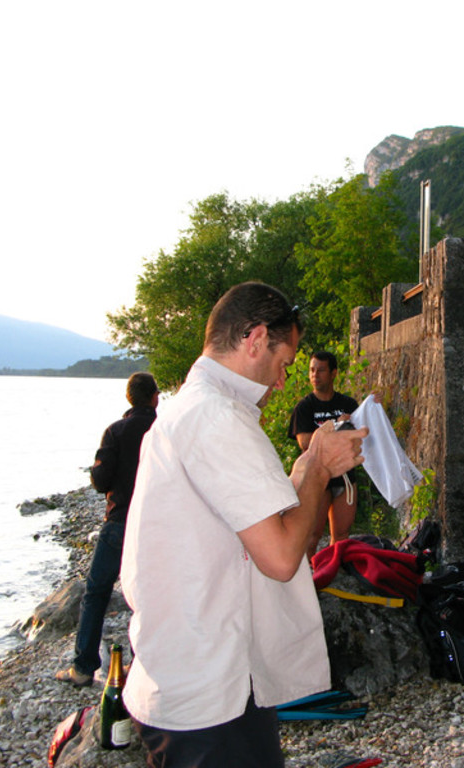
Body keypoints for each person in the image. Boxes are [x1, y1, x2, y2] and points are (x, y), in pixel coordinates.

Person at [120, 282, 367, 768]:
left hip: (198, 677)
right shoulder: (217, 417)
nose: (283, 382)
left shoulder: (194, 408)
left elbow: (253, 522)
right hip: (208, 693)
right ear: (254, 339)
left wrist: (306, 467)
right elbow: (280, 557)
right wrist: (317, 467)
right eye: (284, 364)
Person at [55, 371, 159, 687]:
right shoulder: (163, 429)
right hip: (155, 523)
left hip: (119, 521)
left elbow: (100, 482)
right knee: (147, 596)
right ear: (155, 398)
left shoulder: (115, 431)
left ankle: (83, 667)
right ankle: (142, 665)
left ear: (129, 398)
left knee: (96, 593)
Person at [288, 351, 359, 557]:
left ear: (333, 373)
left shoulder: (348, 405)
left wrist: (373, 405)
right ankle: (308, 575)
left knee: (341, 536)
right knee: (311, 536)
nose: (315, 375)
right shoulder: (305, 407)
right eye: (312, 370)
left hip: (344, 477)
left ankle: (333, 572)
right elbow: (305, 443)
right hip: (316, 476)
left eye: (320, 370)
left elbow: (359, 437)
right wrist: (337, 426)